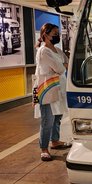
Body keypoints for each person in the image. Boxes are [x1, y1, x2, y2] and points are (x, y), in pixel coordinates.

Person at [34, 23, 71, 161]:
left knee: (57, 116)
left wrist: (62, 66)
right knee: (47, 119)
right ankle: (44, 148)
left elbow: (67, 63)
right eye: (54, 33)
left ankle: (55, 141)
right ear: (45, 35)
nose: (57, 36)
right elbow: (61, 68)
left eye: (58, 33)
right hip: (46, 88)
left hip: (59, 87)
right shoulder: (43, 51)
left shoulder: (57, 50)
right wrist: (62, 67)